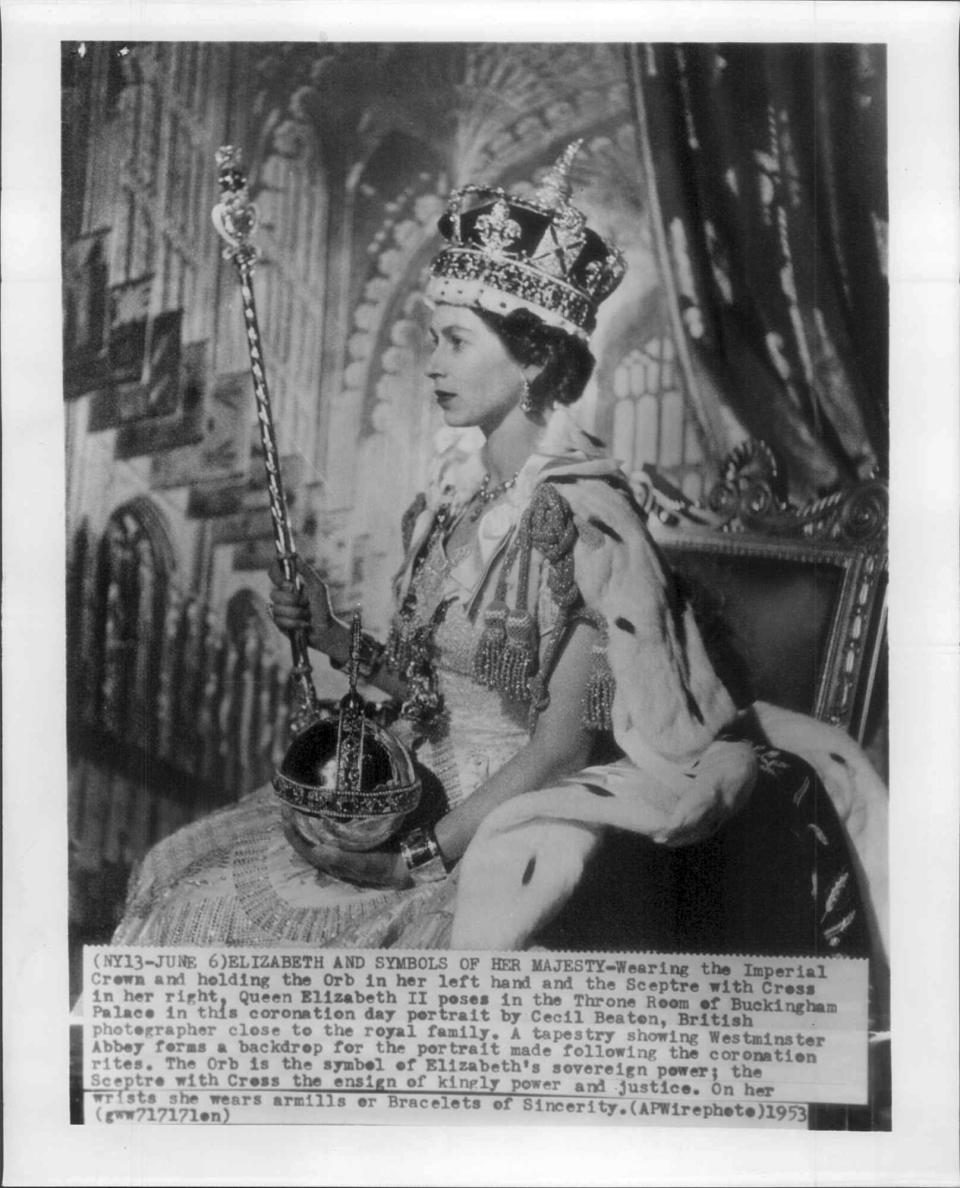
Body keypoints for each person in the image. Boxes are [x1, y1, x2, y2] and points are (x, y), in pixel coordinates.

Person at [114, 144, 887, 962]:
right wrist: (333, 637)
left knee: (230, 927)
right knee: (174, 872)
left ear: (537, 359)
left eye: (454, 341)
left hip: (494, 822)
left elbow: (564, 747)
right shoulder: (452, 504)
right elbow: (430, 685)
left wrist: (409, 861)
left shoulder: (590, 528)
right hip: (409, 783)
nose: (434, 366)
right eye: (431, 341)